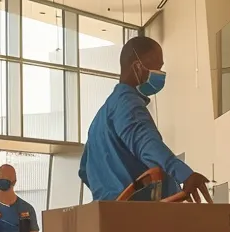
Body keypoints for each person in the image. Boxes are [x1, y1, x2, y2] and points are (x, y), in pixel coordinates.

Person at [80, 35, 213, 202]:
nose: (161, 74)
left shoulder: (100, 119)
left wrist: (110, 191)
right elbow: (146, 143)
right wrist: (185, 174)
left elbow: (84, 170)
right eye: (157, 67)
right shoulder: (127, 103)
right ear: (137, 67)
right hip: (136, 214)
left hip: (107, 211)